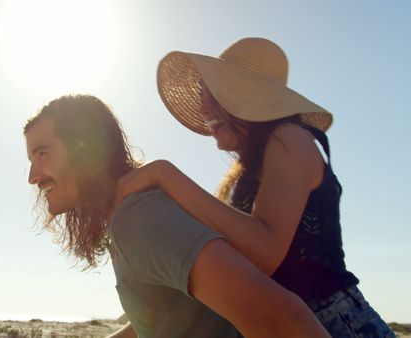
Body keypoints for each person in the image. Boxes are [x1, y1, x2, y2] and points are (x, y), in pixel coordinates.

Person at [114, 37, 395, 337]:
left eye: (214, 96)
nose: (203, 107)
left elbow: (265, 252)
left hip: (335, 323)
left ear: (249, 98)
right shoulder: (245, 173)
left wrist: (166, 175)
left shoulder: (290, 138)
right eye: (202, 95)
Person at [24, 94, 330, 338]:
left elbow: (282, 316)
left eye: (42, 154)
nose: (33, 176)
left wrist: (166, 172)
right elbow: (172, 315)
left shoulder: (140, 218)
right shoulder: (130, 217)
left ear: (86, 149)